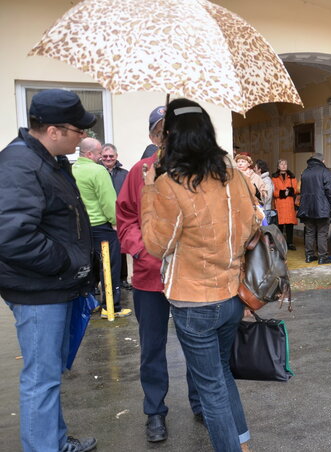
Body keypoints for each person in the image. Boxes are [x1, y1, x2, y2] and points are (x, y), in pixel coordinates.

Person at [140, 98, 260, 452]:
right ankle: (242, 444)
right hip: (231, 296)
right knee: (220, 376)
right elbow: (252, 226)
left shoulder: (169, 185)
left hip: (195, 302)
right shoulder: (233, 177)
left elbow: (155, 244)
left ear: (172, 136)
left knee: (211, 389)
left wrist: (150, 190)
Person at [0, 89, 97, 451]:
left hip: (50, 285)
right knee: (41, 380)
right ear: (54, 130)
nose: (82, 137)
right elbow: (11, 236)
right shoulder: (20, 164)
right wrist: (68, 262)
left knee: (48, 376)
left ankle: (53, 441)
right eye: (77, 131)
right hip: (38, 289)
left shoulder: (47, 160)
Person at [117, 108, 201, 444]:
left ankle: (201, 404)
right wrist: (142, 250)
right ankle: (154, 411)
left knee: (197, 345)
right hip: (150, 277)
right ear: (154, 137)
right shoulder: (140, 171)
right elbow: (125, 219)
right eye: (163, 131)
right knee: (152, 348)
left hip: (190, 275)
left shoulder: (197, 171)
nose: (170, 137)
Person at [72, 138, 131, 318]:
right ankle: (111, 307)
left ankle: (89, 304)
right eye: (99, 154)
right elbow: (108, 201)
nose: (101, 158)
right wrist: (115, 221)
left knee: (87, 268)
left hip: (80, 228)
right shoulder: (98, 171)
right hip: (101, 226)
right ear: (90, 154)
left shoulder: (71, 169)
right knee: (110, 267)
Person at [102, 143, 133, 290]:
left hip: (119, 215)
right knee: (101, 252)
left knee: (121, 249)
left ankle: (122, 279)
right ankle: (99, 282)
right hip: (102, 216)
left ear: (116, 157)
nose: (108, 158)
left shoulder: (124, 174)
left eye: (111, 156)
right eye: (105, 156)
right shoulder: (98, 172)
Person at [298, 152, 331, 264]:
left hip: (307, 207)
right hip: (322, 207)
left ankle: (309, 255)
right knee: (322, 232)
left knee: (309, 232)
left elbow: (302, 191)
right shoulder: (325, 172)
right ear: (322, 161)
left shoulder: (305, 172)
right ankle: (322, 256)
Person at [272, 159, 298, 250]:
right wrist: (282, 193)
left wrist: (290, 191)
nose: (283, 166)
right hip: (279, 204)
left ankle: (290, 243)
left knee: (289, 225)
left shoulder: (292, 177)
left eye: (285, 164)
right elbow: (273, 192)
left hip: (289, 204)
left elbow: (296, 189)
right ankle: (280, 243)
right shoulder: (274, 178)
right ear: (278, 166)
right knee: (279, 225)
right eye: (281, 164)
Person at [254, 159, 276, 225]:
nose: (253, 169)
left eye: (255, 167)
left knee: (265, 231)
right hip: (260, 210)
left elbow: (267, 197)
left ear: (259, 169)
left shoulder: (267, 181)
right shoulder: (259, 179)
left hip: (265, 210)